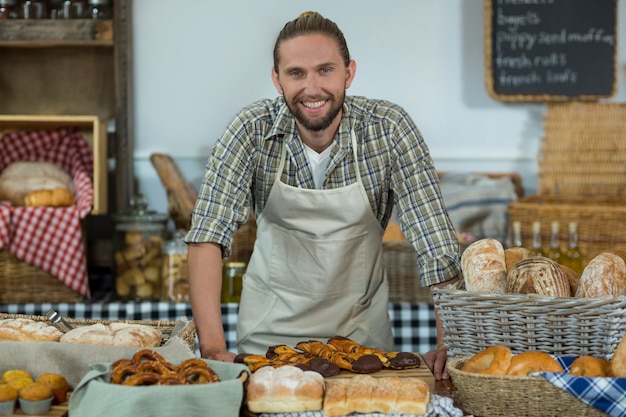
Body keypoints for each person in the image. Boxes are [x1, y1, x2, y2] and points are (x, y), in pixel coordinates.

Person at [184, 11, 461, 380]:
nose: (312, 88)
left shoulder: (389, 130)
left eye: (325, 70)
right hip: (267, 347)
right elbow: (207, 236)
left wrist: (450, 346)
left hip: (363, 348)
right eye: (296, 73)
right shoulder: (250, 131)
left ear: (349, 73)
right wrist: (214, 349)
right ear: (277, 79)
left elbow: (437, 245)